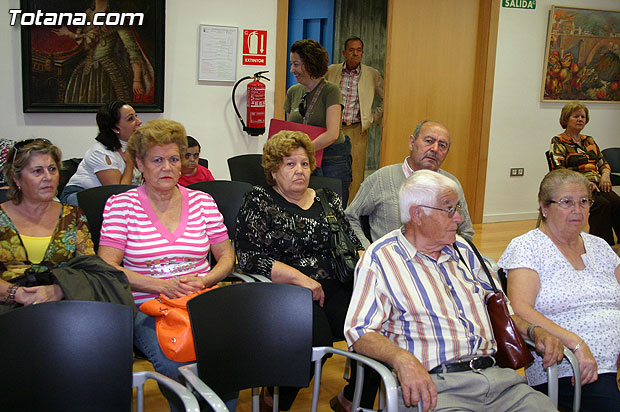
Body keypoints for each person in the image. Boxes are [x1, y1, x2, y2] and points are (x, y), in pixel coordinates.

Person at [344, 169, 564, 412]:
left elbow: (503, 313)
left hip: (500, 382)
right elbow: (359, 330)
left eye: (456, 208)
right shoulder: (381, 258)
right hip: (435, 388)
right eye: (449, 209)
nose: (459, 218)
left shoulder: (464, 250)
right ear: (417, 214)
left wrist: (535, 331)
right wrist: (401, 358)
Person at [97, 119, 236, 411]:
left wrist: (206, 280)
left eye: (174, 159)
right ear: (139, 163)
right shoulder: (122, 205)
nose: (167, 167)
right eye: (157, 160)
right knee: (178, 366)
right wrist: (161, 285)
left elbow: (226, 257)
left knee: (228, 357)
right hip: (148, 305)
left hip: (201, 298)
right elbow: (107, 266)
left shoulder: (203, 202)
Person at [235, 130, 376, 412]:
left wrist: (373, 264)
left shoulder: (328, 199)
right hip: (286, 289)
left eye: (304, 164)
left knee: (378, 329)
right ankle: (275, 399)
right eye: (289, 164)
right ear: (273, 171)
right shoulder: (259, 200)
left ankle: (353, 399)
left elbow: (349, 244)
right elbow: (249, 257)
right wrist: (301, 279)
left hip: (338, 282)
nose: (299, 170)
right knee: (315, 342)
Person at [498, 169, 620, 412]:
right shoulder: (527, 246)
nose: (578, 209)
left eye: (584, 201)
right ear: (544, 207)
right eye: (567, 202)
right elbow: (521, 309)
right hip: (570, 365)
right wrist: (577, 344)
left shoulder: (600, 245)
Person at [0, 139, 134, 313]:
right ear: (16, 178)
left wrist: (59, 290)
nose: (48, 177)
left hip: (62, 305)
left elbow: (91, 269)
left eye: (52, 169)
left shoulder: (73, 216)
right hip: (6, 305)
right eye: (37, 171)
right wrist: (17, 293)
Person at [345, 120, 473, 248]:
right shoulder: (381, 179)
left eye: (442, 145)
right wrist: (367, 251)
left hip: (437, 262)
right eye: (429, 141)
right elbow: (349, 218)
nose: (435, 149)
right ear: (412, 143)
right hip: (390, 262)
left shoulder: (451, 185)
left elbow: (466, 233)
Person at [285, 39, 353, 204]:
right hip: (303, 161)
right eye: (291, 64)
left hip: (332, 161)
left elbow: (332, 134)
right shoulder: (293, 92)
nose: (292, 70)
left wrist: (302, 151)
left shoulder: (331, 91)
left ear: (309, 64)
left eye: (296, 64)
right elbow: (287, 130)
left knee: (333, 208)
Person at [52, 0, 155, 104]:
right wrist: (69, 34)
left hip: (108, 72)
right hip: (86, 71)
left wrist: (137, 80)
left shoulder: (116, 16)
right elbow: (86, 45)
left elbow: (132, 50)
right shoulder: (87, 14)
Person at [549, 101, 620, 246]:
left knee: (617, 203)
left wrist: (605, 174)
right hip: (574, 187)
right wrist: (583, 183)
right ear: (566, 119)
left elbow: (602, 162)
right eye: (576, 116)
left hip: (597, 184)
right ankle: (601, 247)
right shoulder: (559, 141)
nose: (580, 119)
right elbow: (559, 170)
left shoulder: (589, 140)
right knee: (601, 205)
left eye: (583, 116)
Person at [325, 36, 384, 201]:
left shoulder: (372, 74)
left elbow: (387, 98)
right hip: (334, 129)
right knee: (333, 170)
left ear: (363, 53)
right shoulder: (331, 71)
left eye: (359, 50)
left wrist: (373, 117)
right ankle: (333, 206)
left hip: (358, 130)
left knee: (356, 173)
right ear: (344, 52)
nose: (355, 53)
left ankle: (353, 212)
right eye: (351, 50)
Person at [60, 101, 142, 206]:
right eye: (131, 119)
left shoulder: (132, 147)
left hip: (105, 199)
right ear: (115, 128)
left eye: (136, 116)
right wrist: (130, 163)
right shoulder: (100, 152)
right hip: (78, 196)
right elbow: (118, 195)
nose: (139, 122)